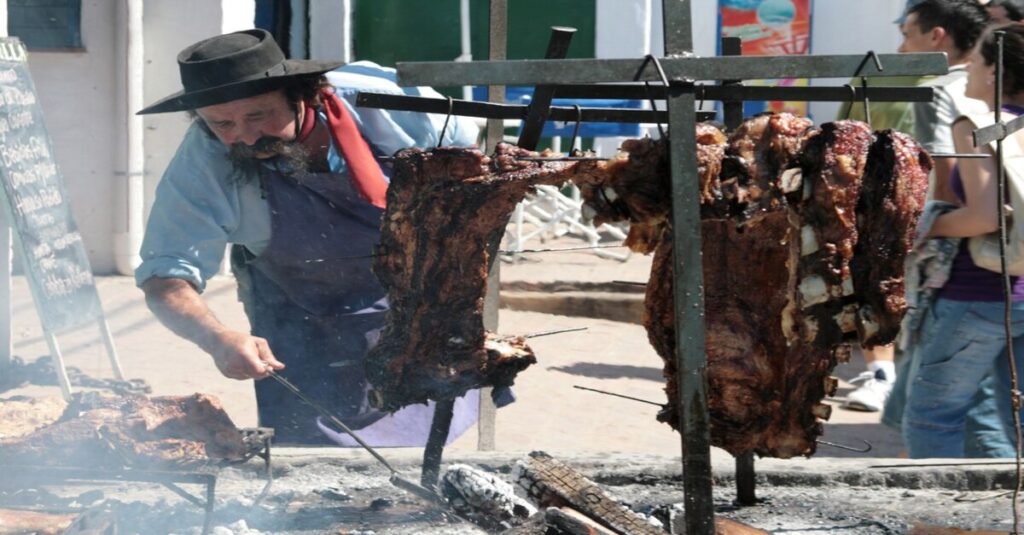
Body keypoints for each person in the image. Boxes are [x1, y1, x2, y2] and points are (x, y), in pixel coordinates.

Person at [135, 29, 482, 445]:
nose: (244, 136)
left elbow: (466, 153)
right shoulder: (205, 158)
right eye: (222, 123)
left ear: (303, 96)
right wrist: (217, 338)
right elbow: (165, 278)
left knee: (426, 438)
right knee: (312, 462)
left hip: (415, 299)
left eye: (258, 116)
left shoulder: (386, 102)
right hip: (297, 315)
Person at [901, 23, 1024, 458]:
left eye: (975, 59)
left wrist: (920, 228)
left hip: (979, 290)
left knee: (933, 416)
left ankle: (937, 523)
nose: (968, 68)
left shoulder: (976, 125)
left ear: (994, 71)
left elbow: (982, 216)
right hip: (1019, 293)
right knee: (1010, 419)